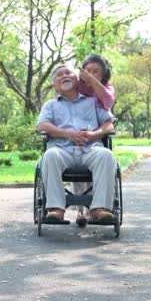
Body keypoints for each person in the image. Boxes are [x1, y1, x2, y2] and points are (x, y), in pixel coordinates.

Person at [37, 64, 117, 223]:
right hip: (62, 150)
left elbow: (109, 124)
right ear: (55, 85)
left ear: (77, 80)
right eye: (60, 74)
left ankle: (99, 209)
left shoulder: (93, 101)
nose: (64, 75)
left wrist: (94, 134)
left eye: (68, 73)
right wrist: (68, 134)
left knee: (107, 155)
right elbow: (42, 126)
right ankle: (56, 209)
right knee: (49, 155)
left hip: (90, 149)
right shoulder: (50, 105)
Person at [73, 53, 116, 225]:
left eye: (96, 71)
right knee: (76, 172)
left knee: (102, 160)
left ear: (103, 74)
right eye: (88, 71)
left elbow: (107, 101)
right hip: (75, 134)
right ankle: (81, 211)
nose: (91, 74)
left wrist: (92, 81)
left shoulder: (107, 88)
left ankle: (99, 208)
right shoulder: (77, 87)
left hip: (98, 131)